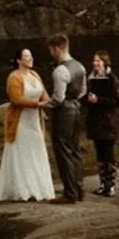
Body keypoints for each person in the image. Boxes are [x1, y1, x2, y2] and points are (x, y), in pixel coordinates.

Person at [0, 47, 55, 202]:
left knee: (37, 150)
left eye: (31, 56)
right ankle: (22, 189)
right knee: (21, 152)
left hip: (34, 121)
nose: (30, 58)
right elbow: (17, 99)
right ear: (19, 60)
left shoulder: (35, 75)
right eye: (26, 56)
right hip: (20, 121)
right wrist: (37, 104)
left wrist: (50, 103)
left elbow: (44, 95)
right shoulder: (14, 77)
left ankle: (39, 188)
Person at [44, 32, 87, 204]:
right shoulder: (80, 67)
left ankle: (69, 193)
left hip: (64, 112)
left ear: (57, 48)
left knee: (63, 150)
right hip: (76, 108)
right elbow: (83, 91)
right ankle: (79, 188)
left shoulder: (60, 70)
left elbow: (58, 99)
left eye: (51, 50)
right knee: (75, 149)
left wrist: (43, 105)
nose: (51, 53)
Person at [85, 50, 119, 197]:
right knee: (99, 153)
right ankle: (102, 183)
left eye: (98, 61)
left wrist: (98, 100)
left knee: (109, 153)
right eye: (94, 61)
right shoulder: (91, 78)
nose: (95, 63)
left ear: (105, 63)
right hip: (96, 120)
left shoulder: (112, 79)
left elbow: (117, 100)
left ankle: (110, 185)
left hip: (108, 121)